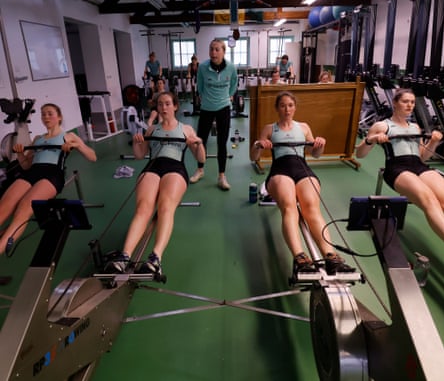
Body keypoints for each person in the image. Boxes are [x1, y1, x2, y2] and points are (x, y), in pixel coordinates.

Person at [250, 91, 355, 280]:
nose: (287, 109)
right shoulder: (270, 129)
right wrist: (258, 145)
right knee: (290, 208)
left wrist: (319, 146)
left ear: (295, 107)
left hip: (302, 169)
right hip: (280, 171)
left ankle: (331, 256)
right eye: (282, 105)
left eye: (290, 105)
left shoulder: (304, 127)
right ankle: (300, 258)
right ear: (277, 108)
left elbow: (314, 155)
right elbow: (253, 157)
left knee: (311, 208)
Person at [106, 91, 206, 276]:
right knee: (143, 208)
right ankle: (124, 256)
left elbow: (201, 159)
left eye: (168, 103)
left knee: (165, 206)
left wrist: (198, 143)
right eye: (160, 104)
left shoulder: (186, 130)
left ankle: (156, 258)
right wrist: (137, 142)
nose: (164, 107)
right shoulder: (151, 130)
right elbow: (139, 155)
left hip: (175, 168)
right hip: (152, 166)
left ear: (175, 106)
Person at [0, 103, 97, 254]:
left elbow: (93, 157)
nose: (46, 117)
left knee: (24, 207)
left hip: (52, 175)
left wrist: (77, 146)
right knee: (4, 207)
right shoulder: (38, 139)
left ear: (59, 117)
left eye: (50, 113)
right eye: (43, 114)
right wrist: (19, 154)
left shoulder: (68, 136)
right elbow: (26, 166)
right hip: (32, 172)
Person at [356, 88, 444, 242]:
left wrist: (434, 142)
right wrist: (372, 139)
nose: (410, 105)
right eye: (405, 102)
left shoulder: (415, 127)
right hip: (397, 168)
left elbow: (422, 157)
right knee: (429, 200)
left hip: (418, 166)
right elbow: (360, 154)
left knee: (443, 201)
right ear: (395, 103)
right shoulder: (382, 126)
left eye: (412, 102)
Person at [189, 39, 238, 190]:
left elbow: (234, 85)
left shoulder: (231, 68)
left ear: (224, 51)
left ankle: (222, 176)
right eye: (211, 49)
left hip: (224, 107)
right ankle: (200, 170)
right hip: (207, 108)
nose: (213, 52)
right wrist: (208, 100)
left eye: (217, 49)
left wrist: (226, 97)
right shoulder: (203, 67)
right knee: (200, 141)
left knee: (221, 143)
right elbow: (200, 87)